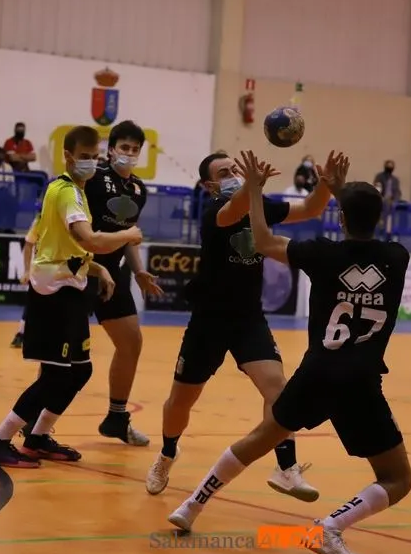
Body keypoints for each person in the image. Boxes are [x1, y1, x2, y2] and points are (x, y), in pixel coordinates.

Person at [166, 151, 411, 554]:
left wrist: (257, 190)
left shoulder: (321, 255)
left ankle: (191, 504)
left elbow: (262, 241)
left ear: (340, 219)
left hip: (317, 373)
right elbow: (356, 225)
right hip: (360, 382)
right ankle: (328, 528)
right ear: (381, 216)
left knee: (262, 437)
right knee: (397, 479)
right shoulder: (397, 257)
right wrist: (339, 192)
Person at [144, 149, 336, 500]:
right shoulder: (213, 212)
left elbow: (311, 209)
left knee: (278, 388)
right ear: (209, 184)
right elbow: (234, 211)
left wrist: (326, 184)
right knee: (180, 404)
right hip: (208, 322)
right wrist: (251, 185)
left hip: (249, 318)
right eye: (225, 172)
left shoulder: (258, 204)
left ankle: (286, 467)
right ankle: (168, 452)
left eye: (236, 168)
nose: (233, 174)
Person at [0, 125, 143, 468]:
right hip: (53, 293)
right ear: (67, 156)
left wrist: (100, 270)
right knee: (55, 374)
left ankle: (37, 437)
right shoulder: (66, 192)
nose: (91, 163)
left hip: (72, 285)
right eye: (85, 157)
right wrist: (127, 234)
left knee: (80, 371)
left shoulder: (78, 192)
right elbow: (90, 239)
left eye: (94, 157)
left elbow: (71, 247)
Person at [78, 120, 162, 446]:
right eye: (123, 148)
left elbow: (129, 236)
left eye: (134, 149)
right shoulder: (93, 180)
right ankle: (34, 423)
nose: (128, 153)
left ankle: (116, 418)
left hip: (117, 274)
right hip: (84, 270)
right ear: (110, 149)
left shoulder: (140, 190)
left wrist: (139, 271)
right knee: (65, 352)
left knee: (131, 343)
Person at [10, 218, 39, 348]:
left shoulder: (70, 218)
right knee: (33, 302)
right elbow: (28, 245)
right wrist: (27, 271)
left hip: (62, 268)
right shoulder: (40, 220)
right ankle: (21, 334)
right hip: (41, 269)